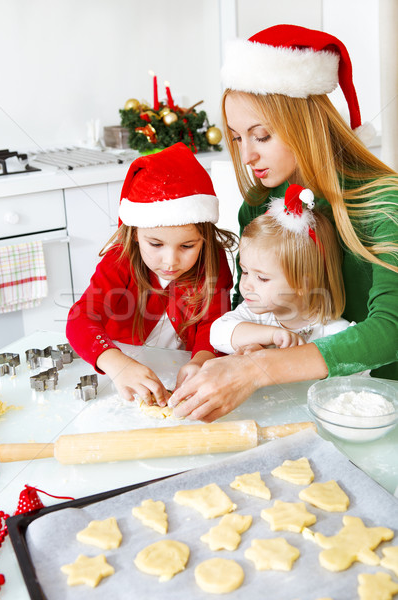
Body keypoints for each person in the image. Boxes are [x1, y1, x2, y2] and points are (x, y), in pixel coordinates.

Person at [168, 24, 398, 422]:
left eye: (262, 136)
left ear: (305, 125)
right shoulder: (260, 206)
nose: (247, 157)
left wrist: (257, 371)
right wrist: (209, 359)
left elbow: (390, 331)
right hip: (299, 399)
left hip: (378, 408)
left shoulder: (382, 202)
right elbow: (250, 304)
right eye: (238, 139)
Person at [66, 142, 236, 405]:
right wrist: (116, 363)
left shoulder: (213, 263)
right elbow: (81, 318)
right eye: (155, 244)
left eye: (187, 246)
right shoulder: (120, 260)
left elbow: (213, 325)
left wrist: (203, 360)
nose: (170, 261)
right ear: (135, 233)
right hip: (123, 379)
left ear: (204, 238)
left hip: (180, 375)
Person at [210, 184, 352, 354]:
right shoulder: (256, 315)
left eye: (262, 278)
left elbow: (359, 369)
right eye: (245, 272)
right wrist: (272, 335)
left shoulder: (334, 332)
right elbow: (217, 333)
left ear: (303, 283)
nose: (246, 284)